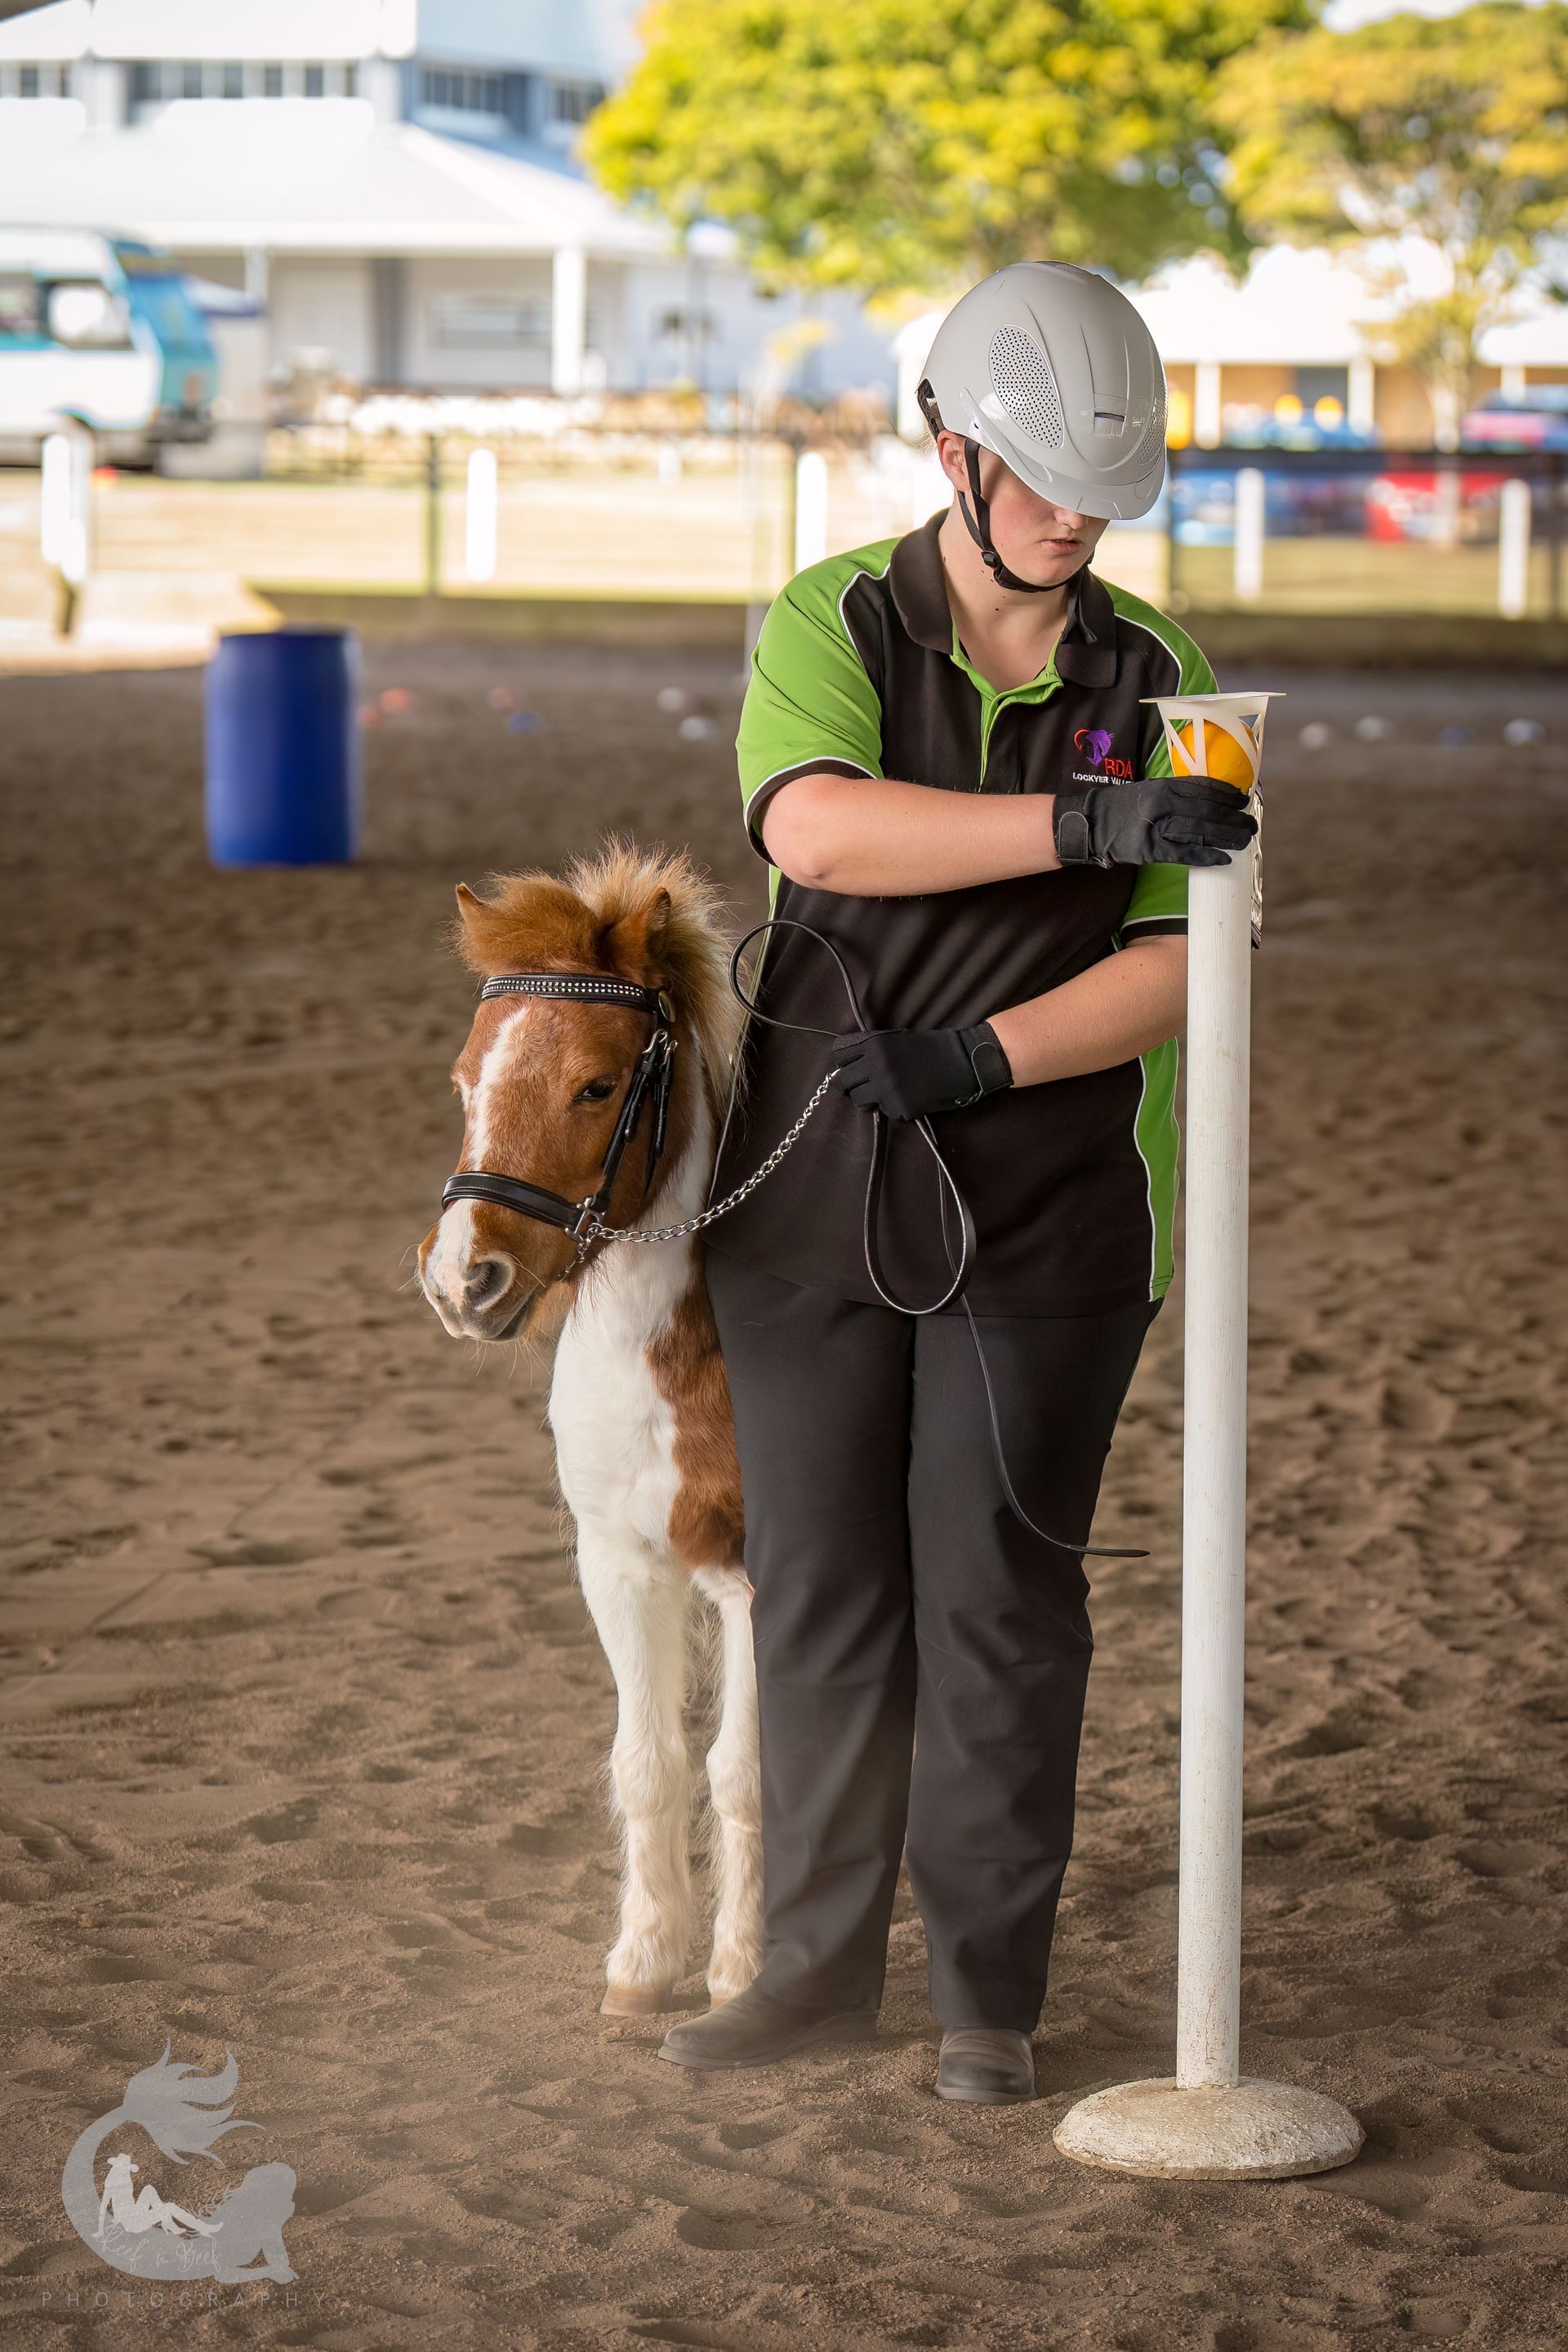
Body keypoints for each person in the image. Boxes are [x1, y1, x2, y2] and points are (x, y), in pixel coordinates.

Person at [658, 262, 1255, 2104]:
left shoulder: (1168, 682)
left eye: (1104, 488)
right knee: (829, 1591)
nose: (1077, 517)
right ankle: (815, 1975)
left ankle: (989, 2002)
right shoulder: (830, 614)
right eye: (1043, 476)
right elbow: (815, 822)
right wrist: (1081, 822)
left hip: (1058, 1211)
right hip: (809, 1194)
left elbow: (1186, 969)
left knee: (998, 1595)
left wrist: (986, 1056)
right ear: (952, 446)